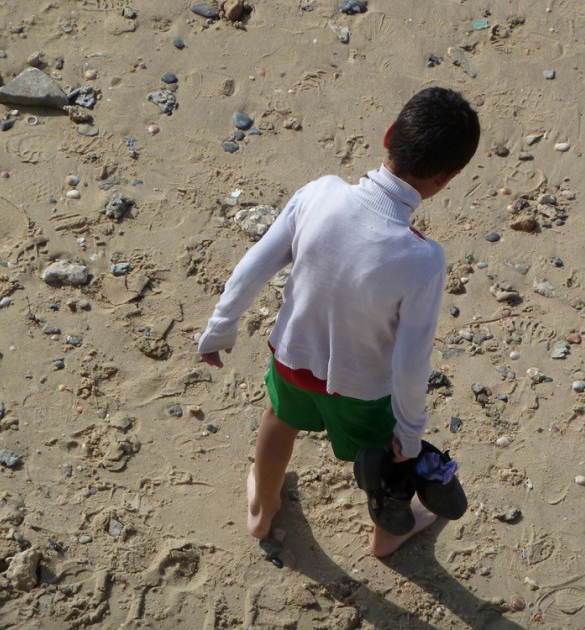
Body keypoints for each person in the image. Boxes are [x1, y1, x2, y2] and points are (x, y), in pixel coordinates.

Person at [198, 86, 480, 557]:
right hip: (361, 390)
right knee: (384, 463)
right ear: (446, 178)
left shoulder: (319, 193)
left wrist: (221, 326)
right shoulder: (422, 258)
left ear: (389, 135)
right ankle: (388, 533)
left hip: (291, 360)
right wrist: (409, 433)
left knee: (279, 418)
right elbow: (412, 360)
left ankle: (261, 508)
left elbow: (255, 263)